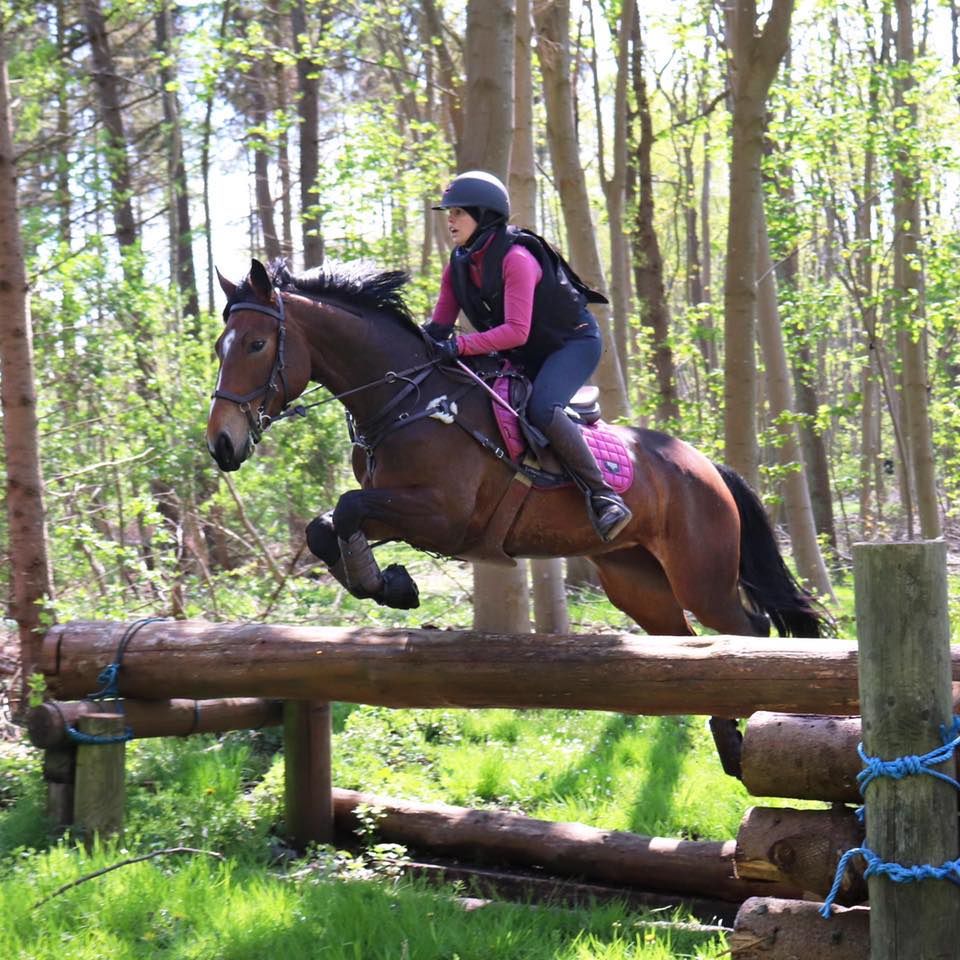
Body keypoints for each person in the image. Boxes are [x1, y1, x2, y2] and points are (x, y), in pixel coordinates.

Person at [425, 169, 632, 542]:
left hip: (572, 344)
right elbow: (438, 328)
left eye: (458, 212)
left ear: (483, 215)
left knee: (541, 409)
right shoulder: (458, 264)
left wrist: (460, 345)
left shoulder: (516, 258)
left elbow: (516, 330)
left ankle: (604, 496)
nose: (450, 220)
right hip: (523, 352)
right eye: (449, 213)